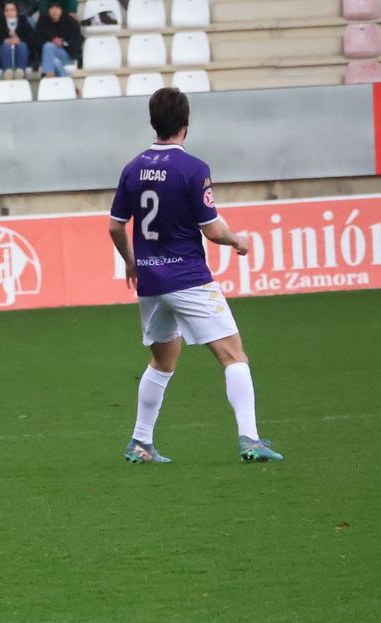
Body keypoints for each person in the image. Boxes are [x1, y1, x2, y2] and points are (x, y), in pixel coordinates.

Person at [109, 88, 284, 464]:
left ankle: (141, 443)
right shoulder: (193, 169)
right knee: (234, 356)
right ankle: (250, 439)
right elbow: (211, 229)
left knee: (162, 362)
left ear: (153, 122)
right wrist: (237, 241)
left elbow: (114, 226)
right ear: (186, 125)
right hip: (188, 277)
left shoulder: (133, 167)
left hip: (152, 283)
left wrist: (130, 261)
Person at [36, 0, 82, 75]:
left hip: (66, 54)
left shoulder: (70, 22)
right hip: (47, 55)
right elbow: (37, 42)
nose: (54, 11)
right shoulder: (43, 22)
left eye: (57, 8)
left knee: (49, 47)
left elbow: (74, 44)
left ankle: (48, 77)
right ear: (48, 10)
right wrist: (52, 40)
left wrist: (63, 43)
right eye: (52, 8)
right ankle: (67, 83)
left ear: (62, 10)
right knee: (55, 61)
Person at [0, 0, 32, 77]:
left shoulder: (23, 21)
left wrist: (19, 40)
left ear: (17, 11)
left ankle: (20, 72)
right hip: (3, 55)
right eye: (7, 10)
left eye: (13, 10)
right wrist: (4, 40)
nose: (10, 13)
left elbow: (32, 40)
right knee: (5, 47)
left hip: (21, 53)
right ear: (4, 12)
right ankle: (7, 72)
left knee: (22, 45)